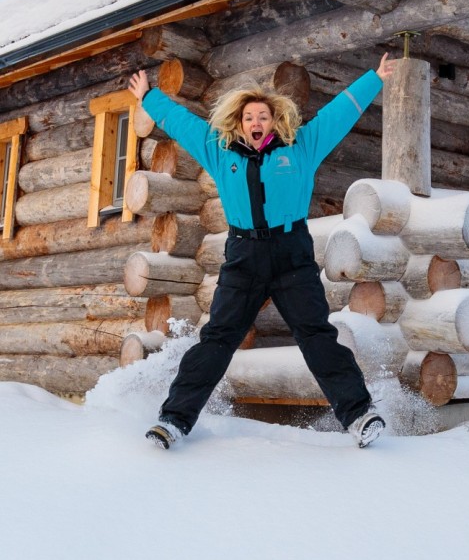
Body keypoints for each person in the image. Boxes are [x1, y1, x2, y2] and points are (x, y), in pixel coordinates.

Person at [128, 55, 395, 450]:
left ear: (274, 122)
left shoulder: (301, 148)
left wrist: (374, 79)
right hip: (244, 256)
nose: (256, 122)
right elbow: (184, 125)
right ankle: (174, 420)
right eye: (250, 117)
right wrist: (149, 98)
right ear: (239, 123)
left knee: (316, 334)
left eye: (263, 117)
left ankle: (359, 415)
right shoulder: (220, 152)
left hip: (291, 254)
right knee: (217, 338)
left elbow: (337, 115)